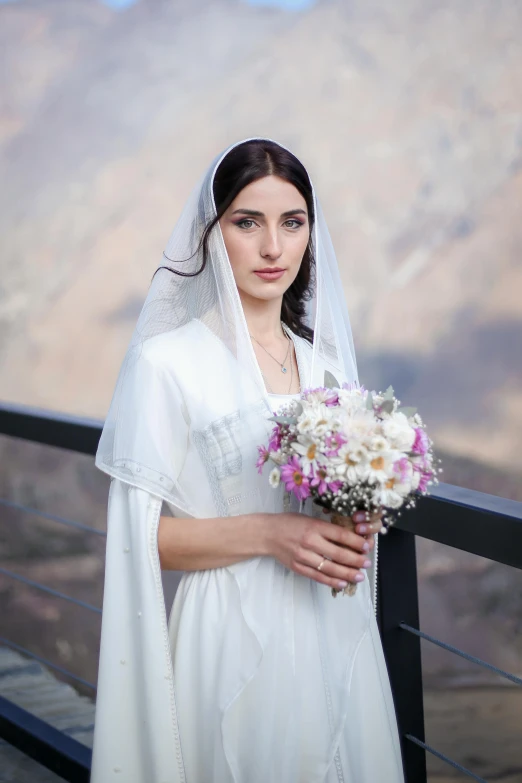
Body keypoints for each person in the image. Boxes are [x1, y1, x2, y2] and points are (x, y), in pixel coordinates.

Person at [91, 138, 405, 783]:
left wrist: (359, 514)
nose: (272, 248)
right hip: (230, 630)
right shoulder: (168, 363)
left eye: (292, 223)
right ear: (212, 235)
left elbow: (338, 500)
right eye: (247, 222)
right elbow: (139, 543)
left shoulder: (326, 365)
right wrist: (270, 533)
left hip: (333, 621)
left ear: (310, 236)